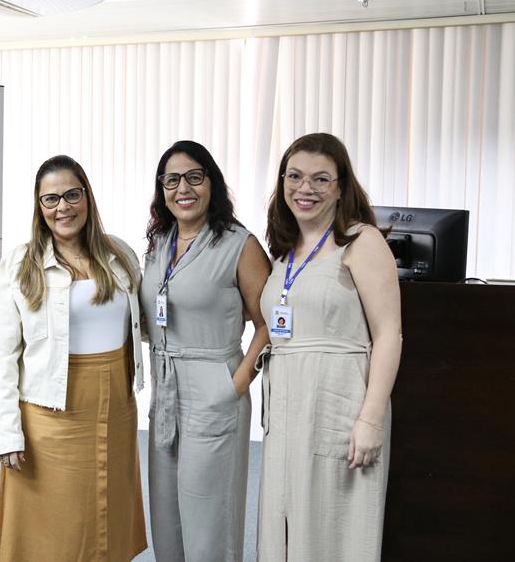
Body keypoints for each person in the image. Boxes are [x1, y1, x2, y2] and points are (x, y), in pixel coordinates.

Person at [0, 155, 148, 562]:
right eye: (51, 199)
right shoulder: (20, 264)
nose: (63, 207)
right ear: (39, 206)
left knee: (106, 521)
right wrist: (6, 433)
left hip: (115, 408)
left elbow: (142, 324)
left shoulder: (120, 254)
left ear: (87, 197)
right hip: (48, 414)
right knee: (51, 529)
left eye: (72, 195)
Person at [256, 132, 401, 561]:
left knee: (334, 530)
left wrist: (371, 419)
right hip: (285, 413)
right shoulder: (283, 252)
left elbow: (389, 334)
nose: (306, 188)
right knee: (285, 527)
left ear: (340, 188)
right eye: (295, 176)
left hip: (339, 404)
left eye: (321, 179)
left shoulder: (361, 241)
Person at [140, 140, 271, 561]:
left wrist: (235, 384)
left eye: (194, 177)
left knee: (209, 521)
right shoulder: (160, 242)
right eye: (172, 180)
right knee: (167, 519)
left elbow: (270, 323)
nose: (183, 188)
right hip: (165, 390)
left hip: (215, 388)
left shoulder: (239, 244)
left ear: (212, 183)